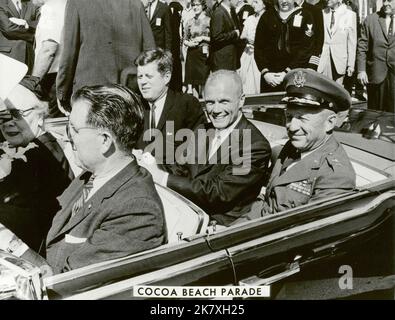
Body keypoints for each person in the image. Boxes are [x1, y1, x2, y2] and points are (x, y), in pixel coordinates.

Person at [0, 85, 167, 275]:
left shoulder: (137, 211)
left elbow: (66, 282)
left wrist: (10, 242)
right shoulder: (93, 176)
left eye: (74, 130)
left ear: (104, 141)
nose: (67, 138)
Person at [138, 70, 272, 227]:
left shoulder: (254, 145)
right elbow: (180, 168)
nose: (215, 110)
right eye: (210, 102)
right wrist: (146, 164)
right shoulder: (203, 130)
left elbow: (218, 193)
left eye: (224, 102)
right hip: (188, 212)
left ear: (241, 100)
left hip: (223, 227)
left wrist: (161, 177)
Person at [240, 69, 356, 222]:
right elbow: (266, 204)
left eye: (302, 118)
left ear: (330, 122)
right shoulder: (295, 146)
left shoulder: (336, 177)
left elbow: (304, 235)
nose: (291, 126)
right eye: (289, 116)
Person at [0, 84, 72, 253]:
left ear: (40, 114)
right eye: (3, 116)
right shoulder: (38, 145)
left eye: (17, 114)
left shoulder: (40, 154)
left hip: (38, 248)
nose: (8, 123)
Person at [56, 0, 155, 111]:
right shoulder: (135, 3)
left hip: (91, 96)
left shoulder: (77, 2)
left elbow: (68, 53)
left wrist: (62, 92)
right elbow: (150, 52)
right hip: (128, 94)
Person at [135, 48, 206, 164]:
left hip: (172, 178)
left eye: (149, 76)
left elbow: (199, 151)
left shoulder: (187, 105)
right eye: (140, 76)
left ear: (166, 77)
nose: (143, 82)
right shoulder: (135, 106)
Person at [254, 0, 316, 92]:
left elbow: (306, 49)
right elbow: (259, 47)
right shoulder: (267, 16)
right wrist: (265, 73)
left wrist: (287, 72)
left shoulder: (306, 16)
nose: (284, 1)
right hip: (270, 77)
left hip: (295, 74)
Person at [357, 0, 395, 113]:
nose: (385, 4)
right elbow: (362, 47)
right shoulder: (370, 20)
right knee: (374, 114)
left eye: (390, 0)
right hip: (376, 74)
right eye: (384, 0)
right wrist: (361, 70)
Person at [31, 0, 66, 118]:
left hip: (51, 79)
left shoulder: (50, 9)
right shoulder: (64, 6)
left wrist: (32, 82)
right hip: (61, 75)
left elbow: (48, 49)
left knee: (49, 124)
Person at [317, 0, 357, 85]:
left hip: (339, 62)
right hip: (323, 61)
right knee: (322, 91)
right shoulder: (322, 13)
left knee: (336, 94)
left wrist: (351, 65)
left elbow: (352, 42)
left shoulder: (350, 15)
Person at [0, 0, 40, 73]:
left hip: (29, 57)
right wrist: (32, 31)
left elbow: (41, 25)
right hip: (8, 56)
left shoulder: (32, 4)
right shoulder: (1, 4)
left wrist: (25, 23)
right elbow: (9, 29)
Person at [184, 0, 211, 98]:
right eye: (193, 5)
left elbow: (215, 38)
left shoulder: (209, 21)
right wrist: (189, 44)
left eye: (197, 5)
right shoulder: (189, 22)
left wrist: (203, 38)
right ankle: (196, 106)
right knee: (193, 82)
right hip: (192, 54)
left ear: (203, 6)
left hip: (204, 54)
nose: (195, 7)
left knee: (204, 81)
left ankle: (205, 104)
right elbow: (185, 39)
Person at [238, 0, 266, 94]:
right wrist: (247, 39)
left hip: (262, 55)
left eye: (256, 2)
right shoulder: (250, 19)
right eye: (253, 2)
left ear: (264, 4)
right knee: (246, 81)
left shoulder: (269, 18)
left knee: (258, 81)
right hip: (248, 54)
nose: (253, 5)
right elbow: (242, 36)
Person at [210, 0, 241, 71]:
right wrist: (234, 33)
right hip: (222, 60)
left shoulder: (231, 12)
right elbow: (216, 36)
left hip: (229, 59)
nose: (238, 1)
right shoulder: (219, 13)